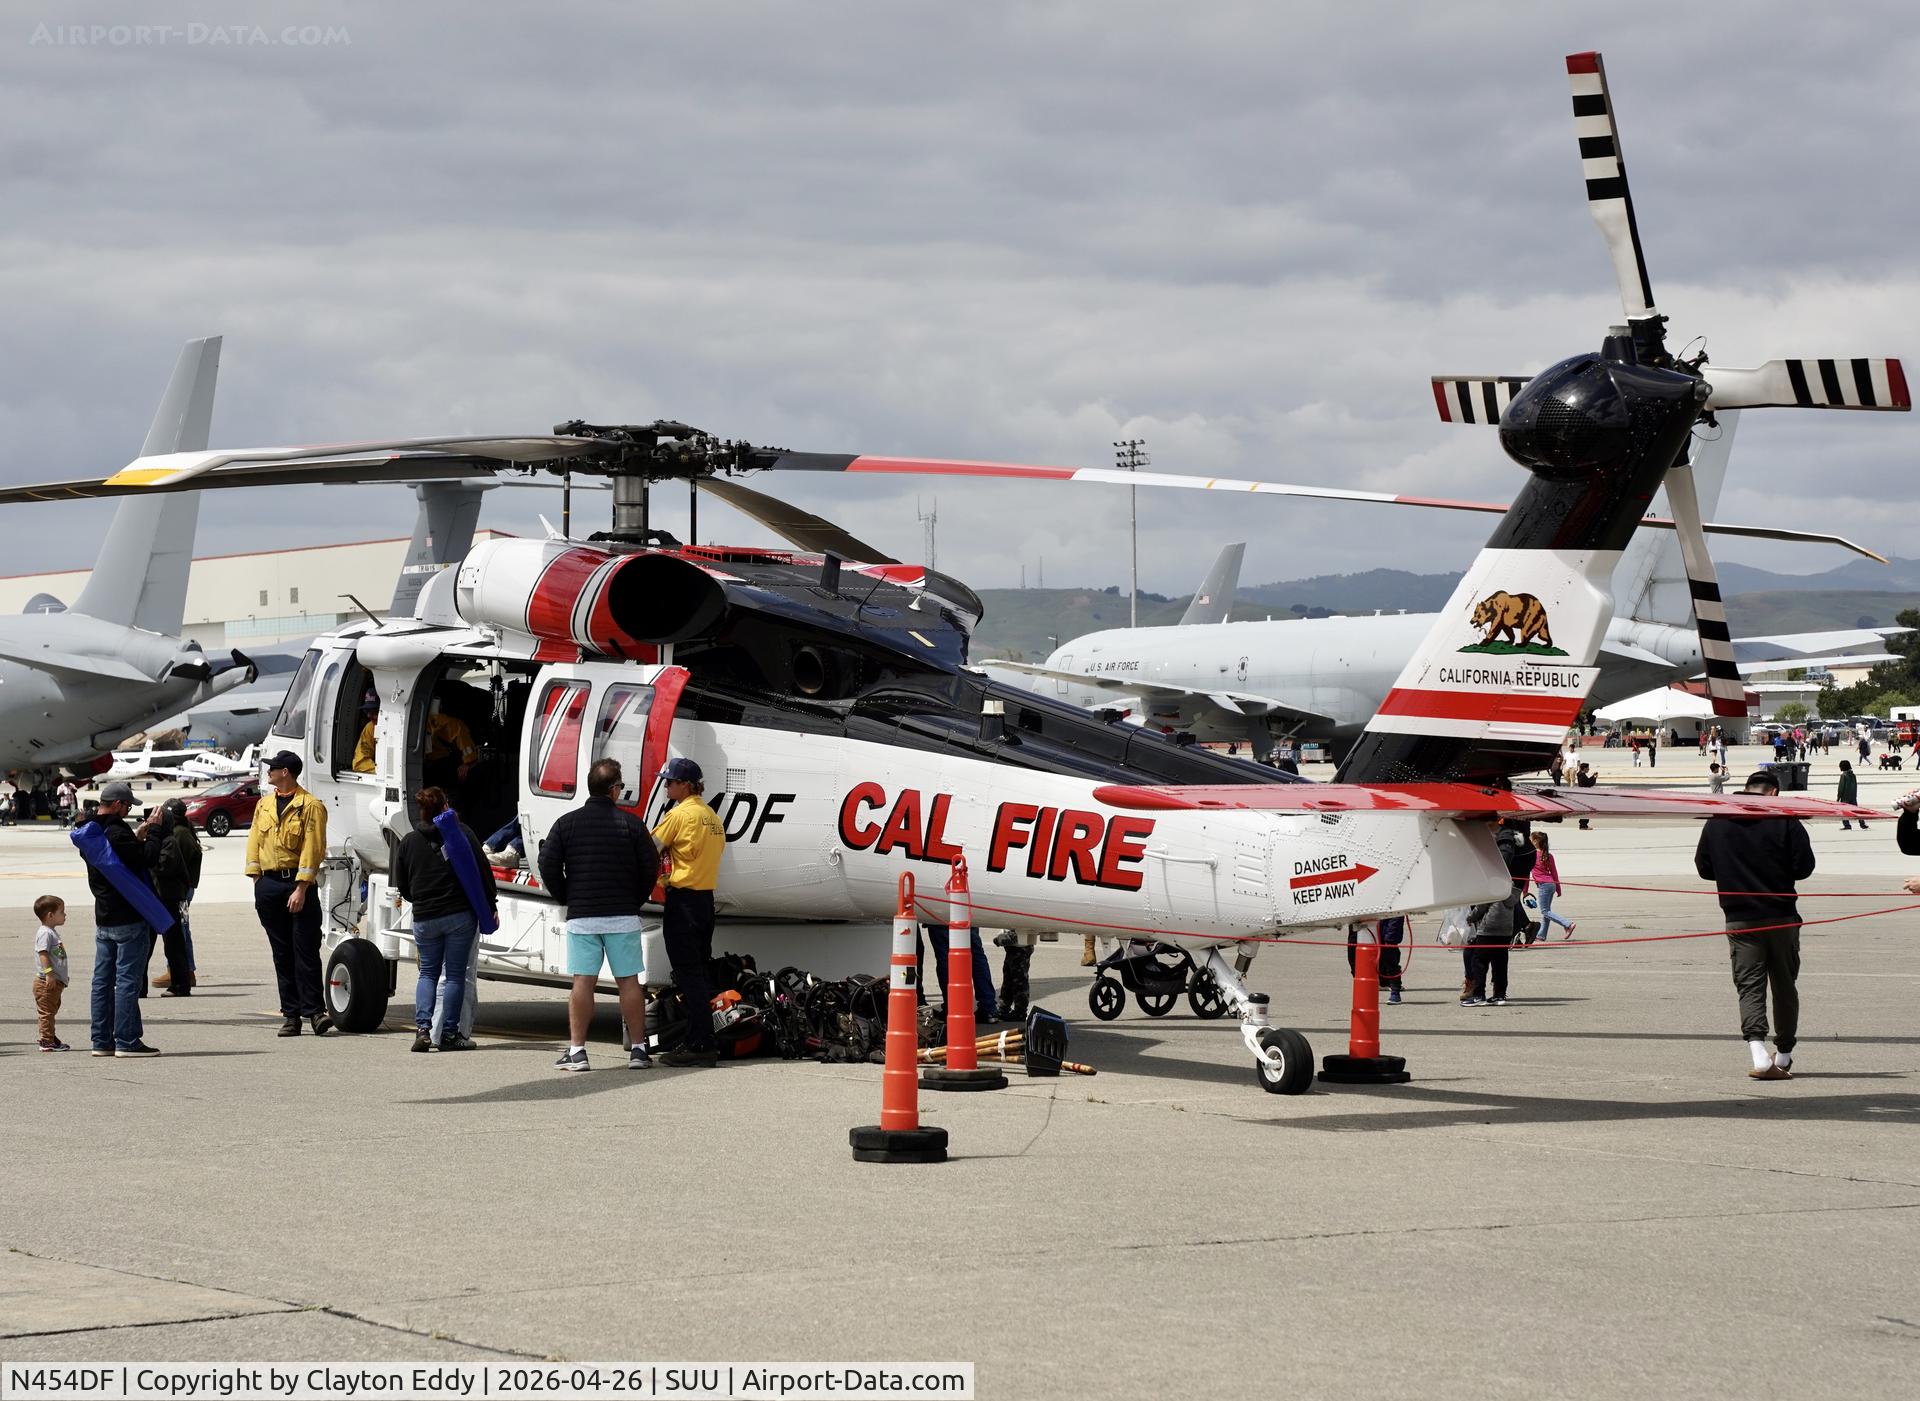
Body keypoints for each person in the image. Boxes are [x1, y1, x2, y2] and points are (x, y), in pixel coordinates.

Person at [539, 757, 659, 1071]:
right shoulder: (631, 825)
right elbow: (650, 866)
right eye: (620, 786)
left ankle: (577, 1051)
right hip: (622, 915)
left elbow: (547, 863)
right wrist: (635, 897)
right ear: (613, 790)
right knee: (629, 983)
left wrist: (566, 895)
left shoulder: (566, 824)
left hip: (583, 916)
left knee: (583, 982)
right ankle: (638, 1050)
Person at [1695, 770, 1815, 1081]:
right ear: (1773, 793)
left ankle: (1758, 1052)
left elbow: (1704, 868)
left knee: (1749, 986)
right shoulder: (1784, 818)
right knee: (1784, 986)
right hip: (1781, 916)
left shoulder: (1717, 819)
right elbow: (1804, 867)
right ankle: (1785, 1054)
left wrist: (1733, 870)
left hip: (1740, 916)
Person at [392, 786, 497, 1053]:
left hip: (425, 917)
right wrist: (490, 904)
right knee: (454, 976)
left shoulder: (408, 841)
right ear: (445, 806)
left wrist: (422, 900)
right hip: (459, 915)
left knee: (427, 973)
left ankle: (423, 1029)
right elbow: (482, 872)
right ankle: (450, 1033)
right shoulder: (462, 833)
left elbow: (402, 884)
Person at [244, 750, 332, 1037]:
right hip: (269, 886)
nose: (269, 772)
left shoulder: (310, 806)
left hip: (296, 885)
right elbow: (254, 841)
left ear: (286, 772)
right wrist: (257, 881)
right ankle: (291, 1015)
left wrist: (302, 887)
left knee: (305, 951)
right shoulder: (264, 805)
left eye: (274, 768)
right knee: (281, 953)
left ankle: (316, 1012)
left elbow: (313, 848)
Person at [651, 756, 727, 1068]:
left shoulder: (679, 815)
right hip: (705, 902)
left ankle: (700, 1043)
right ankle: (700, 1035)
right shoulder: (711, 816)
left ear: (686, 785)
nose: (666, 785)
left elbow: (649, 846)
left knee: (688, 975)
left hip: (682, 903)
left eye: (669, 781)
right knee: (699, 972)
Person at [80, 781, 162, 1057]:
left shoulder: (90, 833)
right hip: (128, 917)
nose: (128, 810)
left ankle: (101, 1041)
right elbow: (146, 859)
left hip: (104, 917)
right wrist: (155, 831)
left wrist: (136, 836)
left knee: (101, 981)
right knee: (128, 981)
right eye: (127, 805)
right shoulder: (117, 830)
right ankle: (127, 1041)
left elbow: (117, 860)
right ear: (116, 805)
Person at [150, 799, 201, 995]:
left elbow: (167, 863)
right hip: (178, 889)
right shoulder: (181, 831)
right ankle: (183, 972)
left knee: (178, 933)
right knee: (179, 933)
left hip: (174, 891)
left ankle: (182, 973)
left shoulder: (176, 835)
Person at [1461, 888, 1518, 1007]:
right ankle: (1499, 995)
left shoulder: (1492, 883)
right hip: (1505, 930)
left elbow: (1482, 905)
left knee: (1479, 962)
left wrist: (1470, 918)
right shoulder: (1509, 886)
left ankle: (1478, 995)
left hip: (1488, 928)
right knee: (1500, 963)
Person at [32, 894, 71, 1052]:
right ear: (50, 915)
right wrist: (49, 974)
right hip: (46, 981)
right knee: (47, 1012)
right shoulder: (45, 933)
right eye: (62, 912)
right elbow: (43, 954)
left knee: (51, 1011)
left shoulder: (51, 932)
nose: (65, 915)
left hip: (55, 981)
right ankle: (46, 1040)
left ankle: (50, 1036)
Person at [1345, 915, 1406, 1004]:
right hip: (1365, 917)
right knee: (1355, 949)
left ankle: (1395, 990)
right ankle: (1363, 987)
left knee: (1389, 952)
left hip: (1389, 916)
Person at [352, 692, 379, 773]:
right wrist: (380, 772)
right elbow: (359, 763)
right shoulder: (370, 728)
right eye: (367, 711)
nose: (369, 716)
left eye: (374, 711)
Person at [1837, 759, 1866, 831]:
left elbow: (1841, 787)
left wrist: (1838, 797)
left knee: (1844, 812)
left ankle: (1847, 825)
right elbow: (1855, 786)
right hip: (1853, 796)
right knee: (1856, 811)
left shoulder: (1843, 776)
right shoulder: (1853, 775)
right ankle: (1862, 823)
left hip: (1845, 797)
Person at [1575, 760, 1597, 829]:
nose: (1588, 769)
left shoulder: (1581, 775)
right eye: (1587, 768)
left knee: (1585, 810)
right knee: (1587, 811)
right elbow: (1590, 784)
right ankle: (1583, 825)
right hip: (1584, 795)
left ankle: (1583, 824)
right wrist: (1594, 778)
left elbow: (1587, 781)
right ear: (1584, 768)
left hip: (1582, 795)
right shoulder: (1582, 776)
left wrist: (1593, 776)